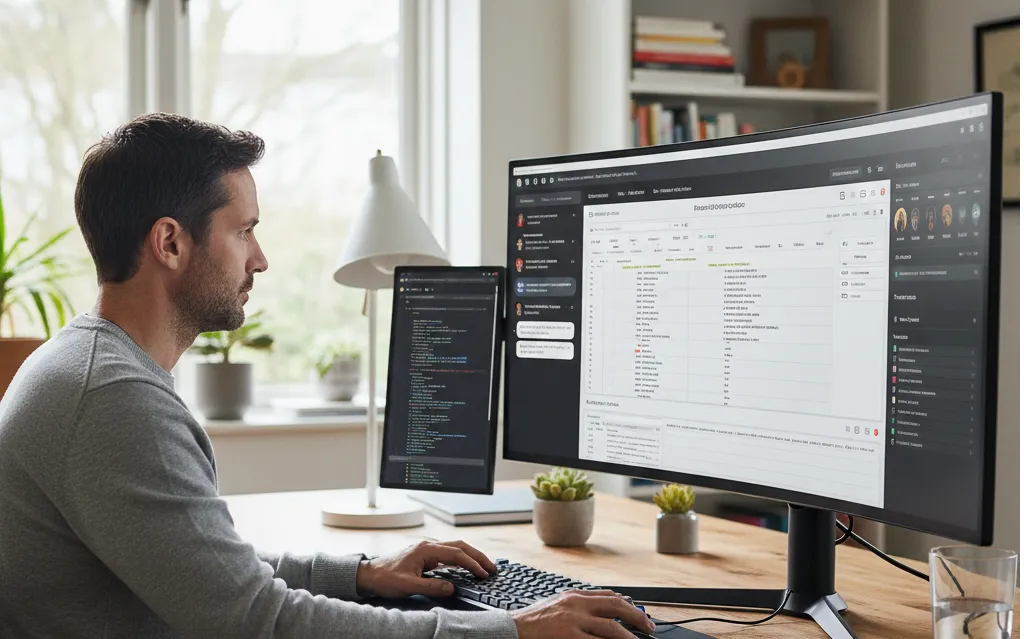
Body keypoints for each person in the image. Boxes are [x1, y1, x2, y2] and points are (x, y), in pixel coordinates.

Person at [0, 113, 653, 639]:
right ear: (169, 243)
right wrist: (514, 627)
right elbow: (258, 618)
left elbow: (205, 570)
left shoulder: (91, 365)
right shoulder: (113, 399)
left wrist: (364, 573)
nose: (261, 258)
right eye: (245, 230)